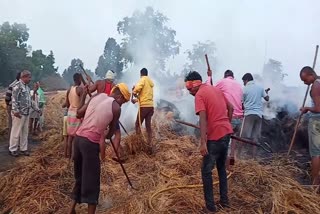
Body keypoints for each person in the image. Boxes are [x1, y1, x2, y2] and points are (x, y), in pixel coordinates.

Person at [68, 83, 131, 214]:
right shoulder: (116, 108)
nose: (122, 105)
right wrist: (105, 132)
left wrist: (84, 95)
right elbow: (111, 134)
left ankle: (71, 210)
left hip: (78, 140)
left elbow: (79, 114)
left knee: (79, 177)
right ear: (119, 97)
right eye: (123, 102)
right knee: (93, 181)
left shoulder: (97, 96)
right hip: (89, 144)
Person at [185, 71, 233, 213]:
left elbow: (203, 119)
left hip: (215, 138)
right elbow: (231, 108)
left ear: (195, 84)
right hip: (226, 133)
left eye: (189, 88)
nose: (189, 92)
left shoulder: (199, 95)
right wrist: (226, 125)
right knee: (221, 169)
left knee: (206, 171)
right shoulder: (215, 89)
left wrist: (203, 142)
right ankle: (225, 201)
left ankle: (210, 208)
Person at [208, 70, 243, 169]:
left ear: (225, 76)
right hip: (240, 118)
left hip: (230, 116)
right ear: (233, 76)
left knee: (224, 142)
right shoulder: (239, 85)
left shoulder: (222, 82)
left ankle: (226, 167)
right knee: (233, 141)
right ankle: (232, 161)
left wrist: (209, 77)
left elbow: (210, 89)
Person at [87, 70, 123, 161]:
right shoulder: (114, 86)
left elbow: (89, 90)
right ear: (112, 78)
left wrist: (88, 81)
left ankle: (102, 159)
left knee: (101, 136)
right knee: (117, 134)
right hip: (110, 111)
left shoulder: (99, 83)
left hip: (100, 111)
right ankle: (114, 155)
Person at [299, 66, 320, 186]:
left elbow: (318, 108)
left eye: (305, 79)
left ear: (311, 74)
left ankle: (315, 184)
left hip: (317, 122)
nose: (304, 82)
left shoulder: (316, 86)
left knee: (316, 153)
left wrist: (307, 108)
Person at [240, 73, 269, 158]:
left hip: (249, 114)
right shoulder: (260, 88)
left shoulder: (245, 89)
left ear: (246, 80)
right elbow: (267, 99)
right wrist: (265, 92)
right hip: (259, 115)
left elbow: (242, 103)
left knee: (243, 136)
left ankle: (239, 155)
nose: (243, 83)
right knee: (255, 137)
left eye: (243, 82)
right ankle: (254, 157)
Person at [9, 70, 32, 157]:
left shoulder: (27, 87)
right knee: (16, 131)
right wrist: (15, 111)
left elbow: (29, 100)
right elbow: (14, 99)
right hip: (19, 113)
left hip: (26, 113)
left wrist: (36, 109)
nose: (30, 79)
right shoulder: (17, 86)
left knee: (25, 132)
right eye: (29, 77)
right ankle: (13, 149)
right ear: (24, 77)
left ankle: (23, 149)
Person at [132, 68, 155, 154]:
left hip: (144, 107)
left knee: (137, 124)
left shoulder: (143, 79)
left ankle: (139, 143)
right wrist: (136, 100)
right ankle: (149, 143)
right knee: (148, 126)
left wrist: (134, 91)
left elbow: (138, 88)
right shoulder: (150, 82)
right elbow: (145, 97)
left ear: (141, 74)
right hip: (150, 107)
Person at [65, 73, 85, 159]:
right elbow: (81, 104)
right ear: (80, 79)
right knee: (77, 136)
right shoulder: (80, 90)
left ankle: (69, 155)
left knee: (70, 136)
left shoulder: (70, 89)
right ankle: (74, 157)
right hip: (77, 114)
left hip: (70, 113)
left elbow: (67, 103)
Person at [5, 72, 21, 138]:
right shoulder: (14, 85)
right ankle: (12, 142)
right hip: (13, 106)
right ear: (20, 78)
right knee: (12, 124)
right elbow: (7, 98)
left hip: (15, 106)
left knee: (14, 124)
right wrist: (9, 105)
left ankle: (14, 140)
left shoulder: (20, 85)